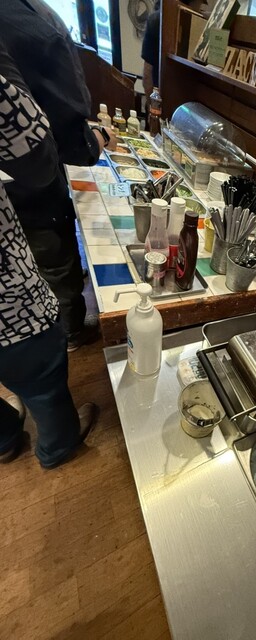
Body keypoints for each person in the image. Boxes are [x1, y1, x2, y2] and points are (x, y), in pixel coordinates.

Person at [0, 43, 98, 469]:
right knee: (39, 374)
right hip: (6, 296)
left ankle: (5, 437)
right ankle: (57, 446)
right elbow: (37, 156)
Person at [0, 0, 118, 351]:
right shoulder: (38, 29)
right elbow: (66, 144)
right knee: (54, 257)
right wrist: (98, 138)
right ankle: (71, 334)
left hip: (16, 190)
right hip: (29, 190)